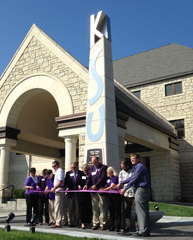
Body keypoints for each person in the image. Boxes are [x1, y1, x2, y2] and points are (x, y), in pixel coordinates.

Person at [120, 153, 151, 237]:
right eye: (131, 159)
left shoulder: (140, 167)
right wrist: (122, 182)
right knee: (143, 211)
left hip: (141, 190)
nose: (132, 160)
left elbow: (134, 179)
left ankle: (142, 231)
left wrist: (125, 188)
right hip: (140, 190)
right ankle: (145, 230)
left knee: (141, 212)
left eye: (133, 158)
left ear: (138, 159)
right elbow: (131, 177)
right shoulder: (137, 167)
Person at [83, 156, 108, 230]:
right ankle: (95, 223)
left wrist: (96, 186)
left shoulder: (103, 167)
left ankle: (103, 224)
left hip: (101, 190)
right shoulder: (91, 168)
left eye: (94, 163)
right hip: (93, 192)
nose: (93, 164)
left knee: (102, 207)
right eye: (92, 163)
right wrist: (86, 185)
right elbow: (89, 178)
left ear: (98, 161)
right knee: (94, 208)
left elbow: (102, 178)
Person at [114, 159, 138, 233]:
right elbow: (120, 183)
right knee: (126, 212)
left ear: (127, 166)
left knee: (137, 212)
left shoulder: (135, 170)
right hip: (126, 194)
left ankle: (138, 228)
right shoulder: (121, 173)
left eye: (123, 167)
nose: (122, 168)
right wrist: (117, 187)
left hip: (134, 194)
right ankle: (126, 228)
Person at [101, 166, 121, 232]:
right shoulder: (107, 179)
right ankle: (112, 226)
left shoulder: (115, 178)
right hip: (109, 197)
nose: (108, 174)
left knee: (117, 211)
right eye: (108, 172)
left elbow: (111, 187)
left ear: (113, 172)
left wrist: (103, 190)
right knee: (111, 211)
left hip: (116, 197)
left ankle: (118, 226)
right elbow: (107, 186)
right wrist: (103, 189)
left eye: (110, 172)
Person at [65, 162, 82, 227]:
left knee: (77, 208)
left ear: (77, 166)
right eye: (72, 167)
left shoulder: (80, 173)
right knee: (70, 208)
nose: (73, 169)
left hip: (78, 193)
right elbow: (66, 182)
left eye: (74, 167)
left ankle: (77, 222)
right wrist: (66, 187)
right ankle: (71, 222)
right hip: (70, 193)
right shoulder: (68, 173)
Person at [50, 160, 65, 228]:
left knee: (58, 207)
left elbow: (60, 181)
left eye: (54, 166)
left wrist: (54, 188)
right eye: (52, 166)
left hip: (59, 189)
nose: (53, 167)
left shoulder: (59, 171)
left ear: (58, 165)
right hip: (58, 189)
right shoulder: (57, 171)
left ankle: (58, 222)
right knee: (60, 207)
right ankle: (62, 221)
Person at [77, 163, 92, 229]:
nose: (84, 171)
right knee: (82, 209)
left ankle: (88, 222)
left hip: (88, 195)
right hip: (81, 195)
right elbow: (78, 182)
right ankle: (82, 223)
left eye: (86, 170)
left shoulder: (90, 175)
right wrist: (79, 186)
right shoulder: (81, 175)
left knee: (88, 209)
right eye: (83, 170)